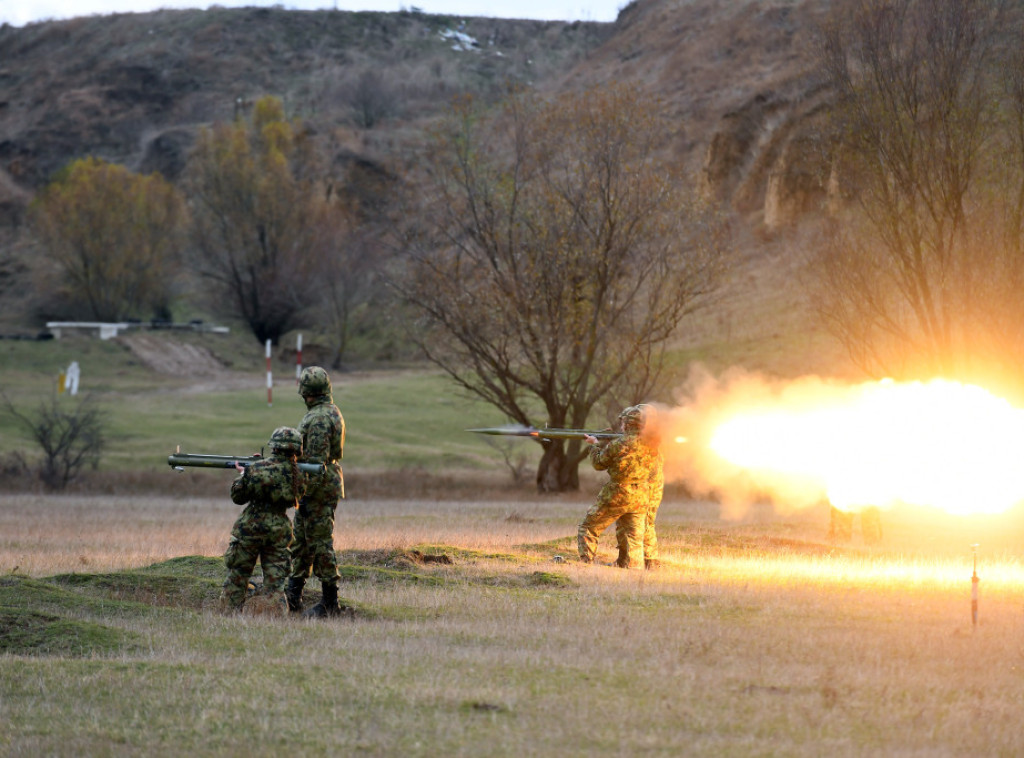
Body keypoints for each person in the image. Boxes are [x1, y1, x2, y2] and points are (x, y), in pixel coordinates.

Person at [219, 426, 303, 614]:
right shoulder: (298, 474)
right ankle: (276, 620)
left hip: (250, 529)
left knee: (237, 577)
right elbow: (294, 498)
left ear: (273, 446)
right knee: (276, 585)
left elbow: (238, 497)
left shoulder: (256, 469)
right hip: (278, 532)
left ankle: (228, 617)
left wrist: (243, 474)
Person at [286, 366, 347, 618]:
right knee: (301, 541)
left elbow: (314, 461)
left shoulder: (319, 418)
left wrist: (296, 485)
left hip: (318, 487)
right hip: (315, 487)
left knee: (320, 542)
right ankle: (293, 595)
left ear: (308, 393)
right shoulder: (326, 411)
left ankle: (330, 603)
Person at [577, 405, 661, 568]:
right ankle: (632, 567)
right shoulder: (651, 444)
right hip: (640, 496)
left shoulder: (618, 444)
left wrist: (594, 445)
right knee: (634, 535)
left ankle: (585, 564)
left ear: (628, 424)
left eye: (624, 423)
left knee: (588, 526)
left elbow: (599, 463)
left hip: (617, 494)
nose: (621, 426)